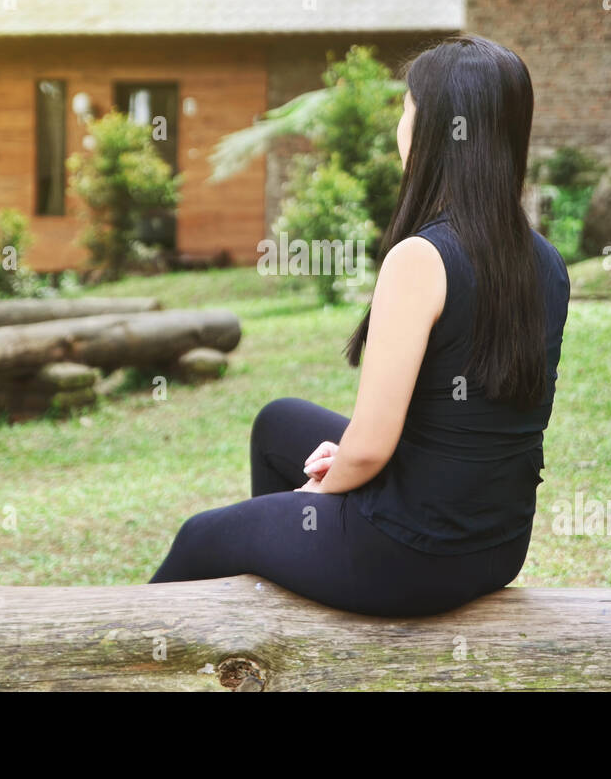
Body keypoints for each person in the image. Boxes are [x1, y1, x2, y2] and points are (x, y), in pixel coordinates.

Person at [149, 34, 570, 617]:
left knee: (201, 536)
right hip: (496, 545)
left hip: (412, 554)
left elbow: (370, 449)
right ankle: (284, 615)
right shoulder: (546, 261)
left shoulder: (421, 259)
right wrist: (346, 461)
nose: (402, 120)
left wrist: (323, 490)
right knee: (279, 426)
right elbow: (465, 427)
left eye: (408, 105)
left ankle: (108, 663)